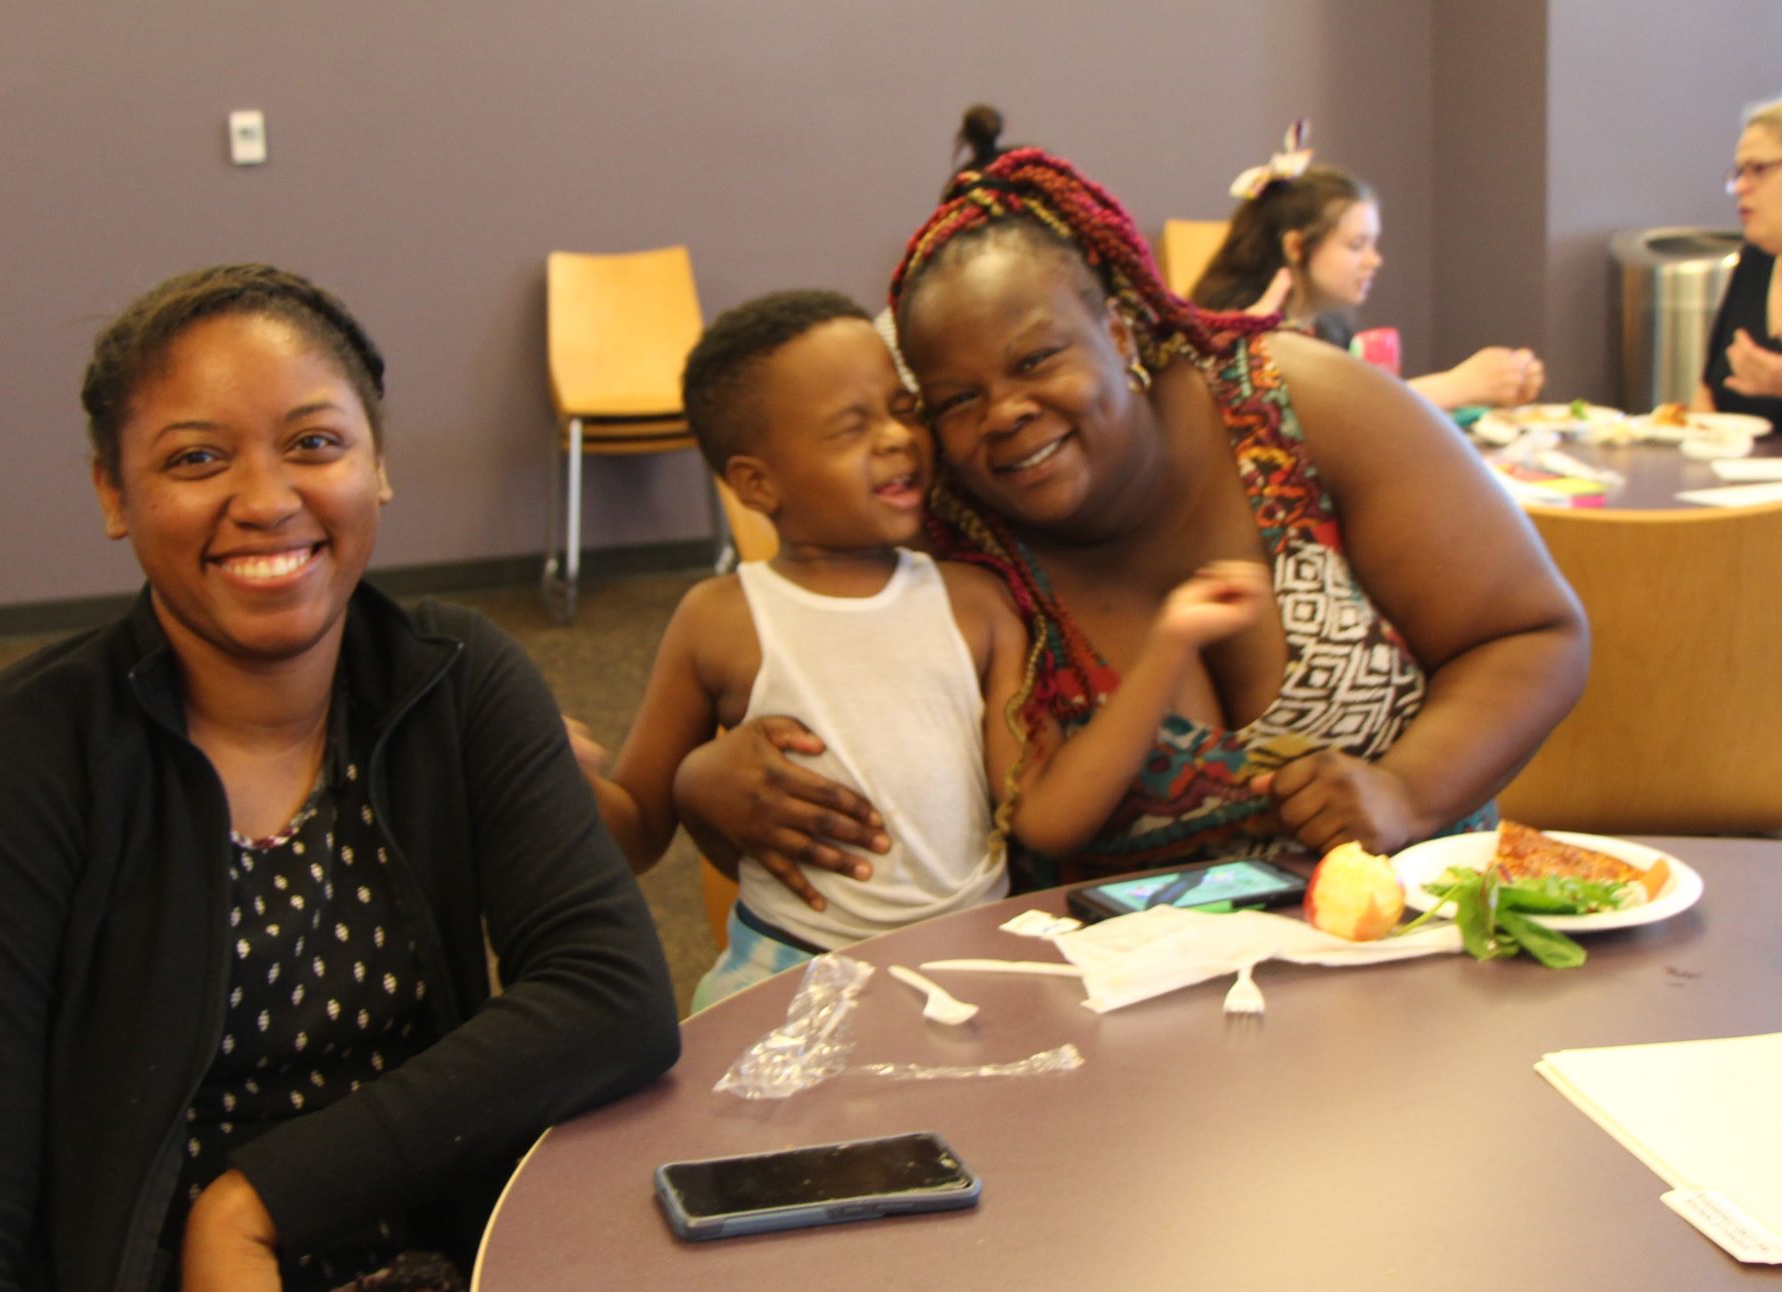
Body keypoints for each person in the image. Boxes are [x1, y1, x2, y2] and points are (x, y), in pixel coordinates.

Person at [0, 265, 679, 1292]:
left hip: (385, 1247)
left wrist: (255, 1200)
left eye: (314, 443)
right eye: (197, 457)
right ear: (112, 493)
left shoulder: (453, 680)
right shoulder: (1, 767)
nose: (265, 500)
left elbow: (611, 995)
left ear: (379, 465)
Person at [672, 116, 1588, 897]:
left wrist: (1408, 794)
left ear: (1117, 330)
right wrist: (704, 786)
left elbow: (1533, 634)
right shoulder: (948, 541)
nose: (1003, 416)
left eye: (1036, 361)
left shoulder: (1297, 406)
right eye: (955, 399)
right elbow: (836, 789)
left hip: (1406, 943)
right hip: (1112, 1026)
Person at [584, 288, 1268, 1007]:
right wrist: (554, 764)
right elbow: (635, 832)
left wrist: (1170, 643)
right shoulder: (718, 619)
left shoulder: (976, 603)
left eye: (902, 408)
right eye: (851, 428)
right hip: (783, 972)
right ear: (757, 483)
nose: (895, 438)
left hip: (968, 965)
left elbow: (1042, 816)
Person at [1190, 121, 1546, 412]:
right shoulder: (1237, 328)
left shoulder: (1327, 321)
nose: (1374, 261)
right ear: (1296, 247)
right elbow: (1332, 420)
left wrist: (1495, 385)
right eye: (1356, 245)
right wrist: (1457, 385)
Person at [1698, 94, 1782, 422]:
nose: (1740, 187)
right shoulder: (1756, 259)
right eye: (1739, 172)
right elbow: (1707, 390)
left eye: (1758, 169)